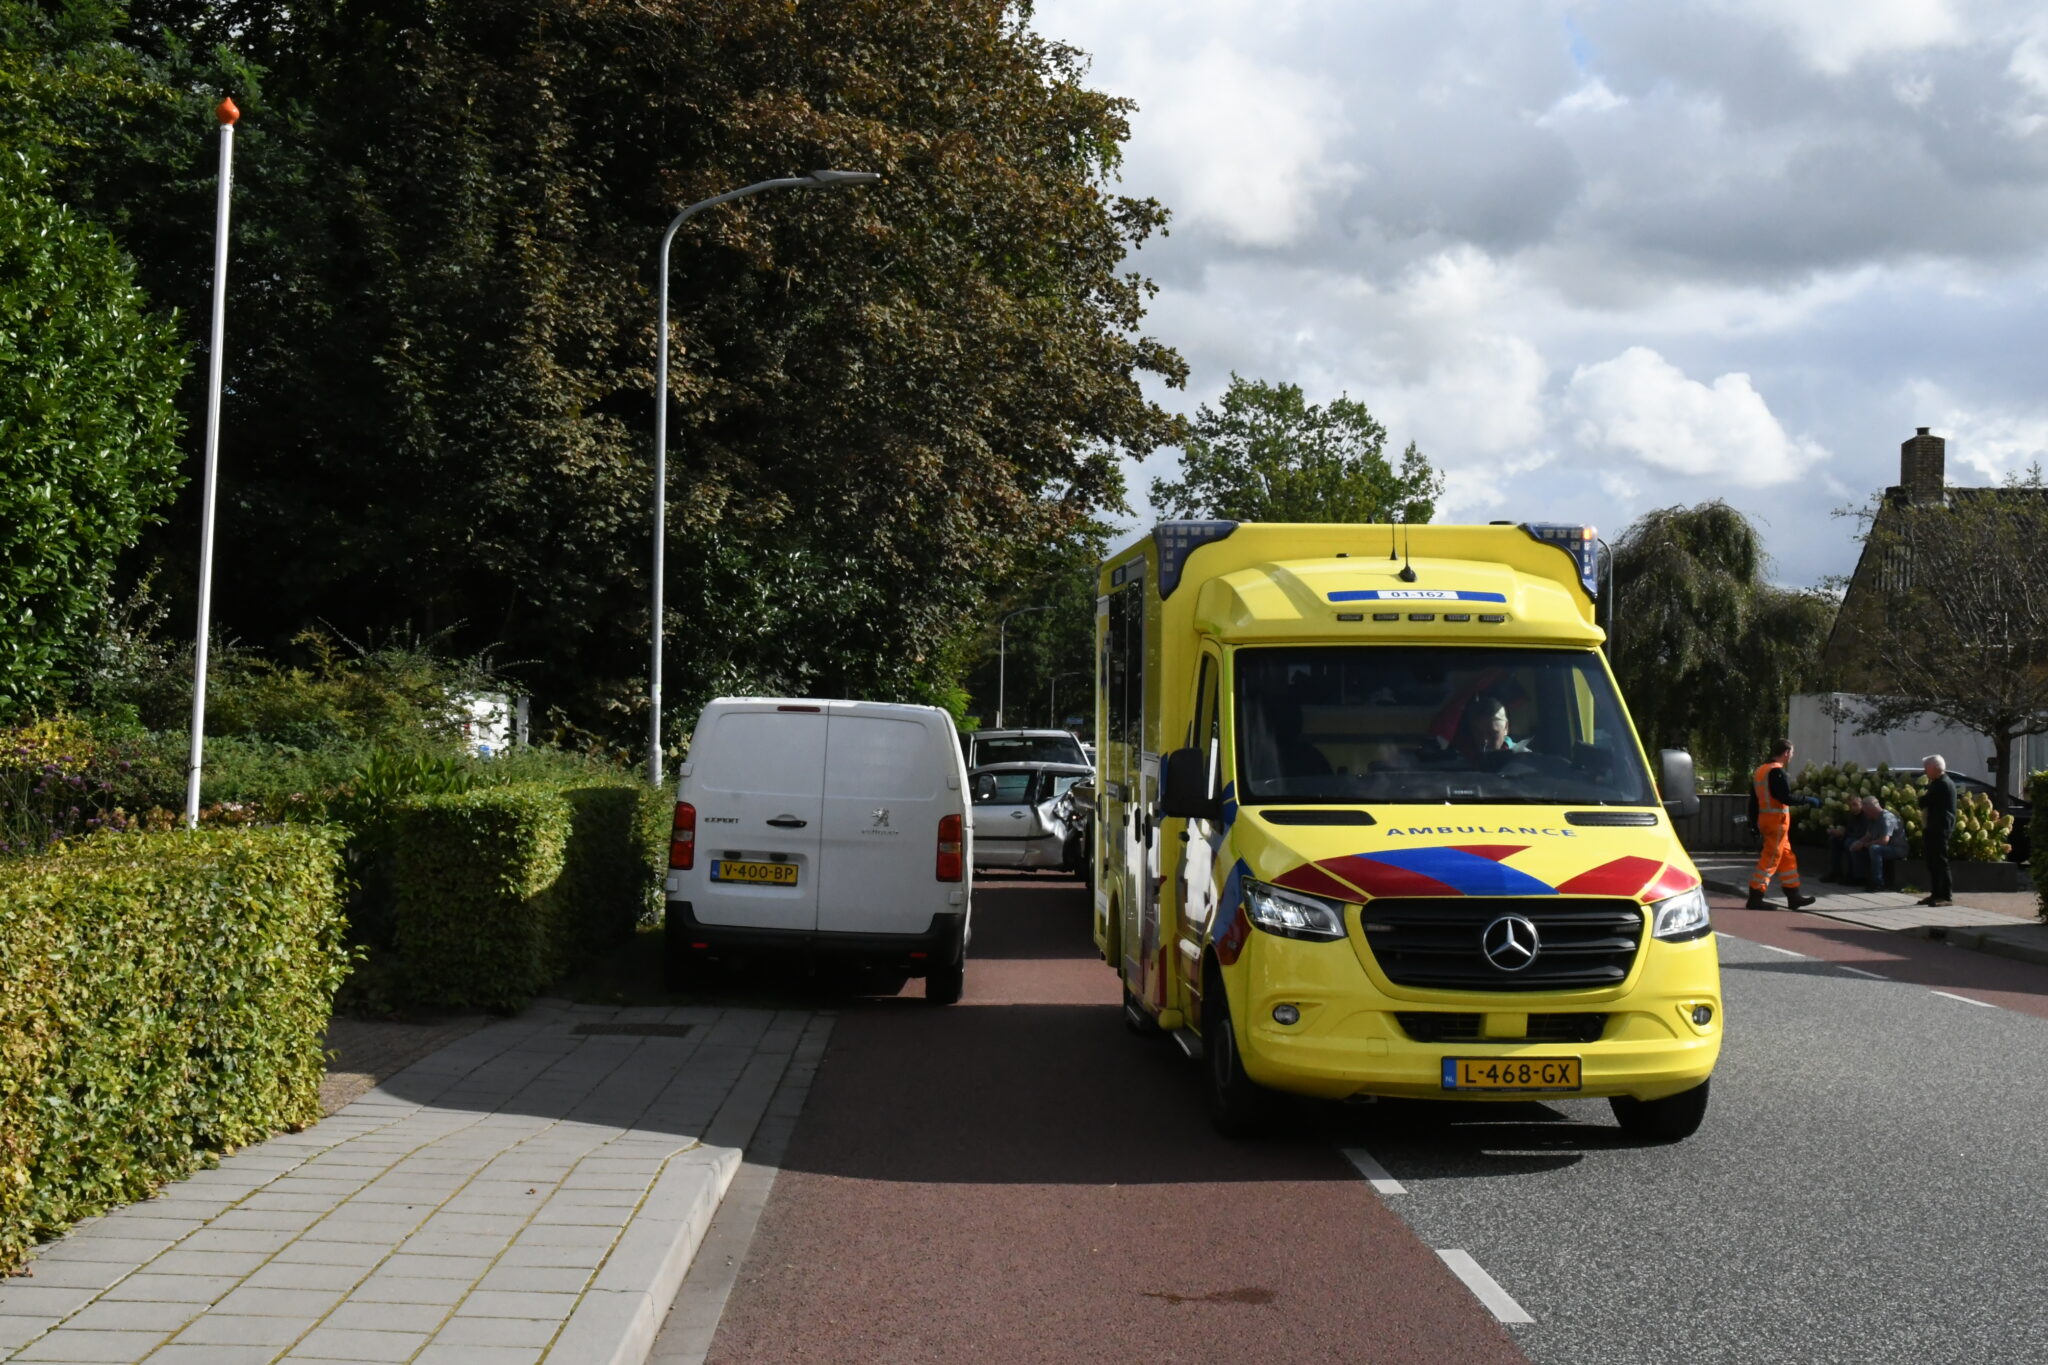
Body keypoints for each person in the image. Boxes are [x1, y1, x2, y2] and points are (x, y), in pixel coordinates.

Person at [1747, 738, 1821, 910]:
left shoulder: (1760, 771)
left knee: (1786, 857)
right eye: (1792, 753)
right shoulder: (1777, 772)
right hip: (1777, 822)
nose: (1792, 756)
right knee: (1770, 859)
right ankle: (1755, 896)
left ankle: (1793, 896)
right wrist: (1807, 800)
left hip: (1766, 821)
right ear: (1786, 753)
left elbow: (1753, 801)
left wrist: (1752, 823)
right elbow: (1785, 797)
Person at [1841, 796, 1906, 892]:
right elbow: (1868, 836)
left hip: (1897, 849)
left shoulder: (1886, 818)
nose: (1864, 814)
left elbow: (1884, 841)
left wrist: (1864, 845)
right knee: (1855, 844)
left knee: (1874, 848)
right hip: (1884, 847)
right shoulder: (1872, 818)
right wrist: (1859, 843)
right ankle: (1859, 877)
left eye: (1866, 811)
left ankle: (1878, 883)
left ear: (1871, 809)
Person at [1918, 755, 1957, 907]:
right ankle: (1936, 893)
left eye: (1926, 768)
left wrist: (1922, 799)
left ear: (1934, 768)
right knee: (1933, 861)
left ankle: (1946, 895)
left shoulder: (1943, 784)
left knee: (1940, 861)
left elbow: (1924, 801)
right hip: (1933, 827)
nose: (1925, 771)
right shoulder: (1937, 783)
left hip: (1940, 828)